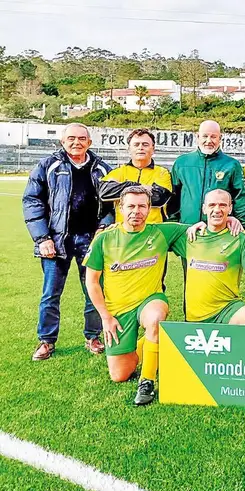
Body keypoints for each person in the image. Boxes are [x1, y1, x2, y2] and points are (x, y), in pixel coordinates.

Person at [84, 187, 187, 405]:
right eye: (130, 206)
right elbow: (91, 282)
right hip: (118, 311)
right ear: (120, 208)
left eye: (142, 206)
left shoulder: (162, 232)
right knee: (119, 375)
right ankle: (156, 343)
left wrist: (231, 222)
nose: (136, 211)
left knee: (155, 318)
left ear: (150, 209)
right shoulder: (104, 239)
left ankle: (147, 382)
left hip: (150, 301)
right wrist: (105, 317)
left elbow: (201, 228)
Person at [23, 123, 113, 361]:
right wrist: (43, 238)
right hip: (57, 240)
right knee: (50, 294)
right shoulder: (47, 166)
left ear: (89, 142)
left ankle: (93, 337)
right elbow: (32, 201)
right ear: (62, 141)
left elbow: (114, 203)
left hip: (92, 240)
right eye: (71, 138)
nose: (77, 142)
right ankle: (46, 341)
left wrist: (103, 228)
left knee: (94, 292)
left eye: (82, 138)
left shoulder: (102, 168)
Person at [179, 190, 245, 325]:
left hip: (228, 310)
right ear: (204, 208)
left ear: (230, 208)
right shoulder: (189, 235)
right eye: (212, 205)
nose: (217, 210)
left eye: (223, 205)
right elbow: (153, 230)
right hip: (195, 317)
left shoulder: (240, 237)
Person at [169, 120, 245, 226]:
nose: (208, 140)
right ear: (198, 137)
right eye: (205, 136)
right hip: (186, 228)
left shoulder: (231, 165)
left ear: (220, 138)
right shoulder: (181, 163)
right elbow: (174, 196)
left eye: (213, 137)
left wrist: (241, 224)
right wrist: (173, 223)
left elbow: (240, 197)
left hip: (219, 230)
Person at [99, 128, 173, 224]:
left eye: (145, 145)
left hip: (154, 231)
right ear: (129, 149)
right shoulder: (119, 172)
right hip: (123, 231)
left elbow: (158, 198)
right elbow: (104, 192)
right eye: (136, 144)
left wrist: (122, 188)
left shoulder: (162, 173)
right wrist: (138, 186)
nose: (140, 148)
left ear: (153, 149)